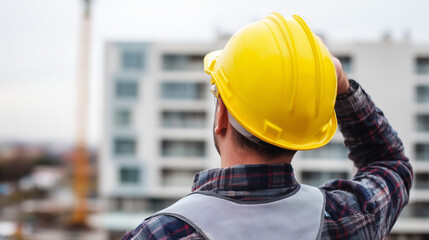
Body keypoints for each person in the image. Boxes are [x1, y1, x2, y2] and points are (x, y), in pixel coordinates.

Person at [121, 13, 412, 240]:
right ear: (303, 134)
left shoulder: (159, 234)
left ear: (221, 114)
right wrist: (343, 89)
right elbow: (390, 163)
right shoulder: (345, 219)